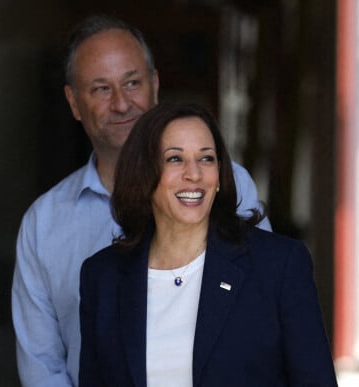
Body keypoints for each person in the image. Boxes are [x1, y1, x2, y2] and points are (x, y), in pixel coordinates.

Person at [11, 15, 270, 386]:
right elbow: (43, 366)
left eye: (132, 83)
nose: (121, 104)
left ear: (155, 85)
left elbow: (264, 317)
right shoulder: (44, 223)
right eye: (101, 89)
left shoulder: (226, 185)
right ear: (73, 102)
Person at [79, 102, 337, 386]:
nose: (194, 174)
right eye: (175, 159)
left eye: (206, 158)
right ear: (144, 174)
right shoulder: (102, 277)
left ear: (219, 175)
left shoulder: (278, 265)